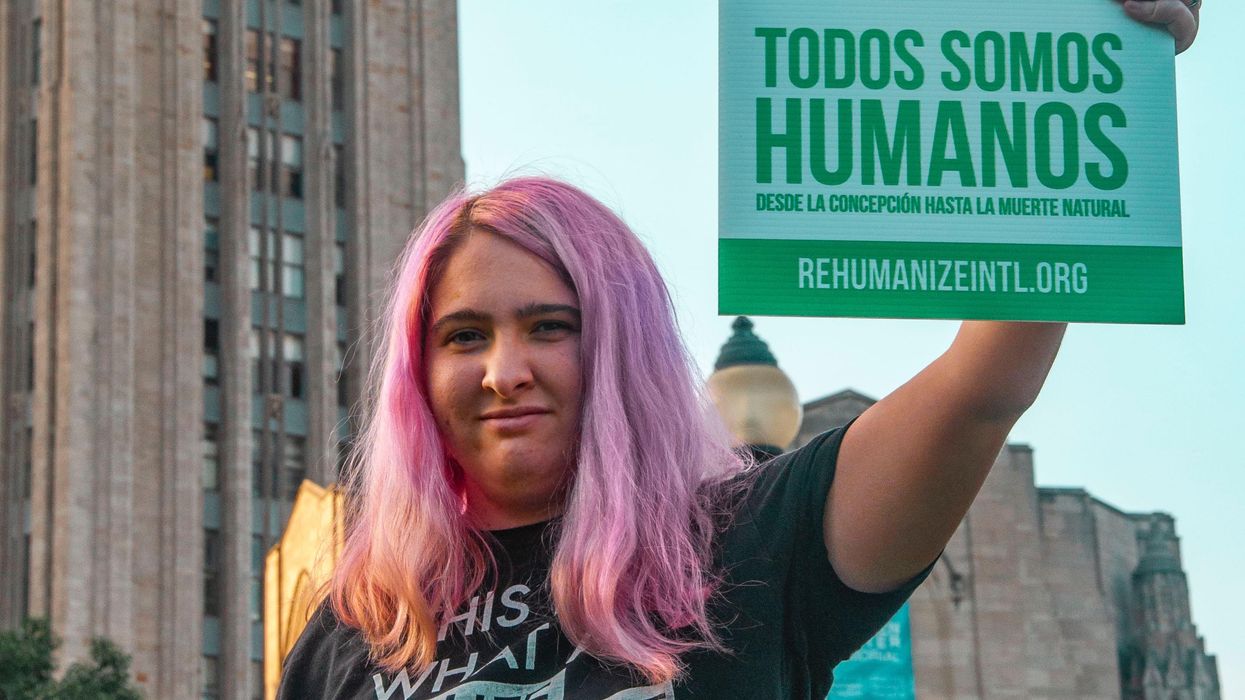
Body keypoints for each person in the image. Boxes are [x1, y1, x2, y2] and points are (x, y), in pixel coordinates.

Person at [278, 6, 1201, 698]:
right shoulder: (352, 626)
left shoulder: (745, 540)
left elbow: (980, 390)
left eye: (550, 326)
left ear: (621, 350)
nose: (503, 369)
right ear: (416, 375)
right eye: (463, 335)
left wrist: (1087, 40)